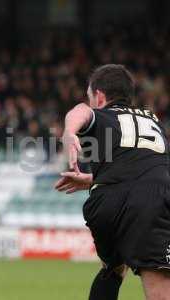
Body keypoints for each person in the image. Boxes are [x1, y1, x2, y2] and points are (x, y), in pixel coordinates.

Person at [55, 64, 170, 300]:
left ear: (98, 96)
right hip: (150, 200)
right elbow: (146, 166)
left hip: (105, 202)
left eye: (89, 97)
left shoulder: (102, 114)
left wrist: (69, 132)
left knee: (114, 268)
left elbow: (80, 111)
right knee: (158, 282)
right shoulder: (154, 121)